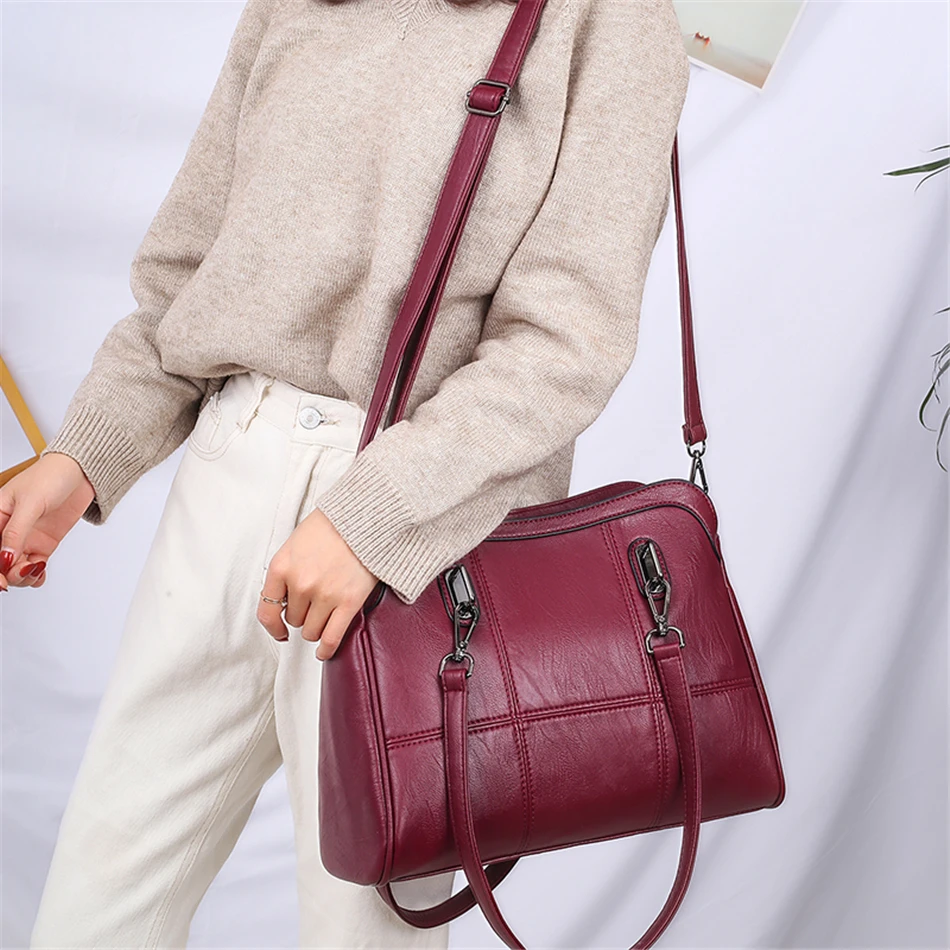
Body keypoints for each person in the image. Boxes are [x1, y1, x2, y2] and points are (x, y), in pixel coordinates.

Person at [7, 0, 690, 945]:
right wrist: (84, 456)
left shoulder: (614, 19)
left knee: (366, 931)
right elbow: (188, 274)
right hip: (224, 478)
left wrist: (370, 516)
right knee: (92, 910)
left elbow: (566, 342)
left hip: (411, 539)